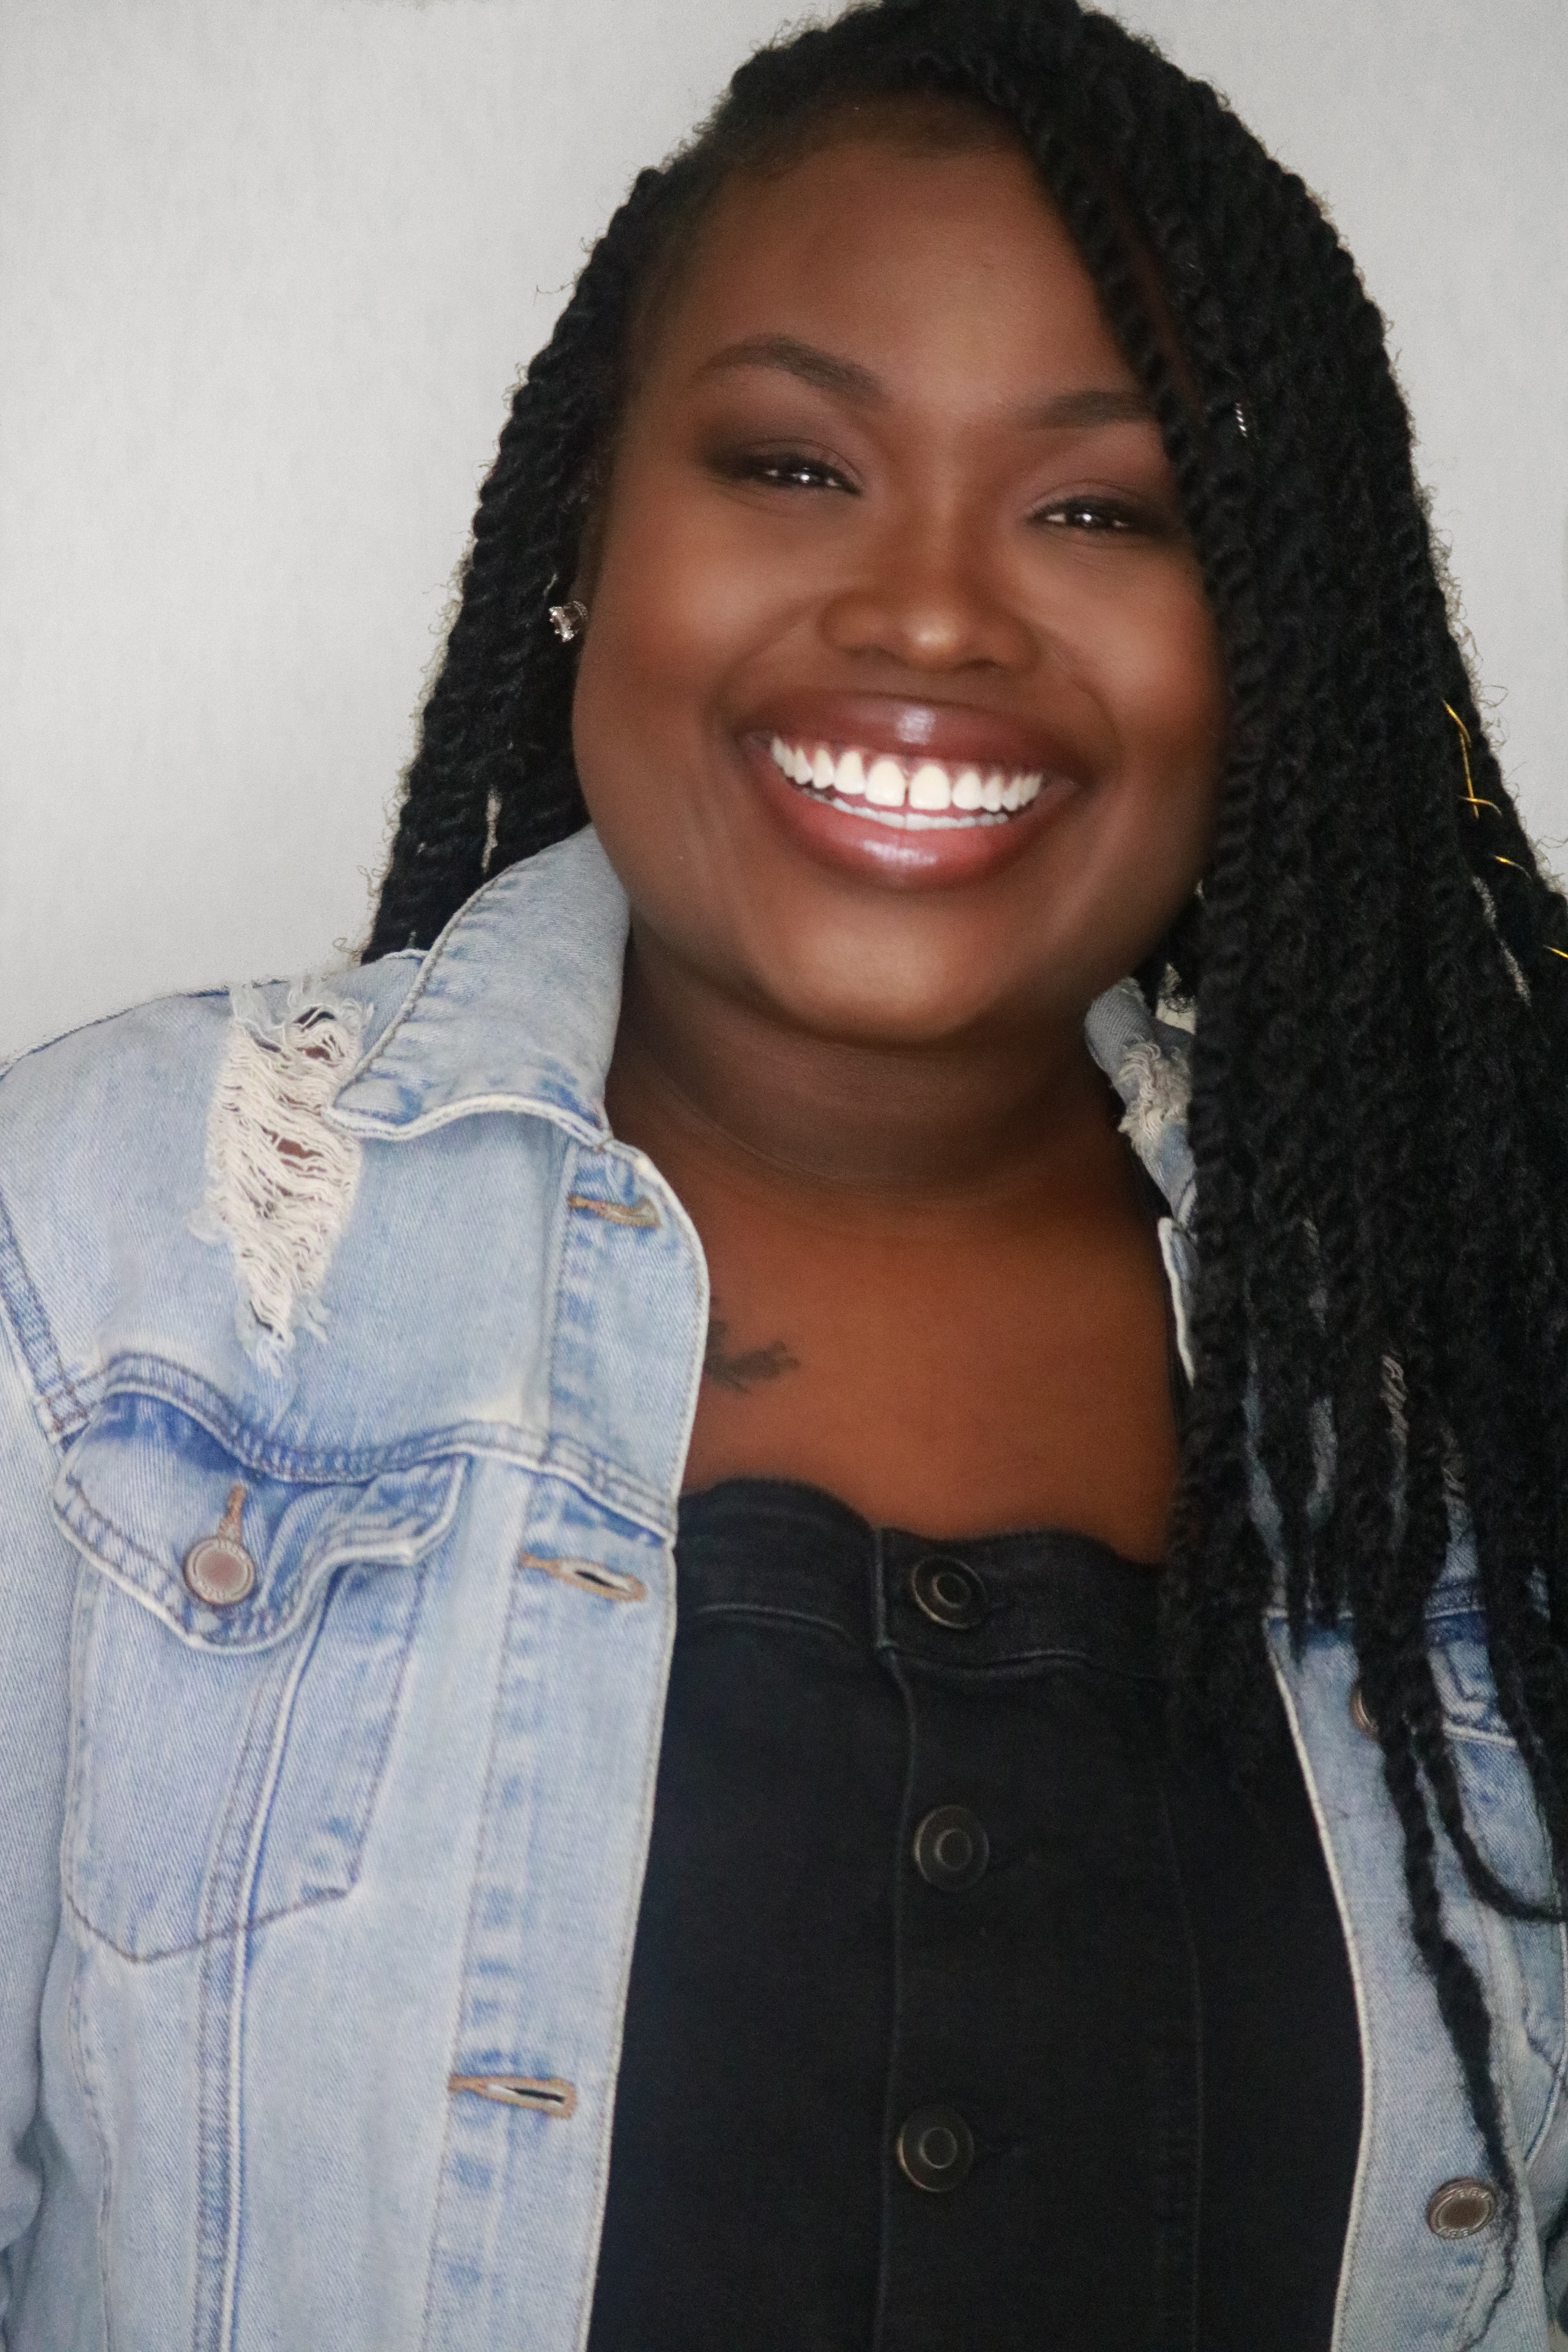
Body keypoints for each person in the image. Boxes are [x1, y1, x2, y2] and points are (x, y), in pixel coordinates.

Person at [2, 0, 1565, 2344]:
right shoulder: (124, 1249)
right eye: (795, 467)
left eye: (1104, 507)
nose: (932, 610)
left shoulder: (1475, 1346)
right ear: (582, 542)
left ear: (1274, 652)